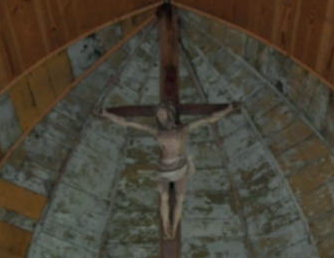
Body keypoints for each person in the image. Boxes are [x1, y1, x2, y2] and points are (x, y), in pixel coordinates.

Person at [97, 101, 241, 239]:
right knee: (164, 197)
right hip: (164, 169)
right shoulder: (156, 131)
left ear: (169, 114)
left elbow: (209, 119)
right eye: (158, 115)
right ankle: (167, 225)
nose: (160, 117)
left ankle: (174, 225)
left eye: (162, 114)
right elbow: (128, 123)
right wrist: (106, 114)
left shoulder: (182, 129)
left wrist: (229, 109)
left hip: (179, 167)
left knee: (180, 198)